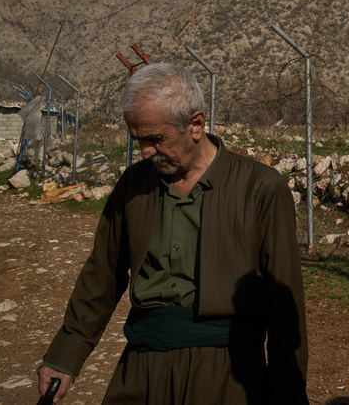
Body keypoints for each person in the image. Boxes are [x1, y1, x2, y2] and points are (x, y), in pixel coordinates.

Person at [37, 62, 308, 404]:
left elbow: (285, 303)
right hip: (142, 366)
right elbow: (102, 275)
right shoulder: (134, 184)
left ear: (195, 124)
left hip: (227, 373)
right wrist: (65, 354)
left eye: (155, 139)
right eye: (138, 140)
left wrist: (288, 392)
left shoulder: (260, 188)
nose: (145, 152)